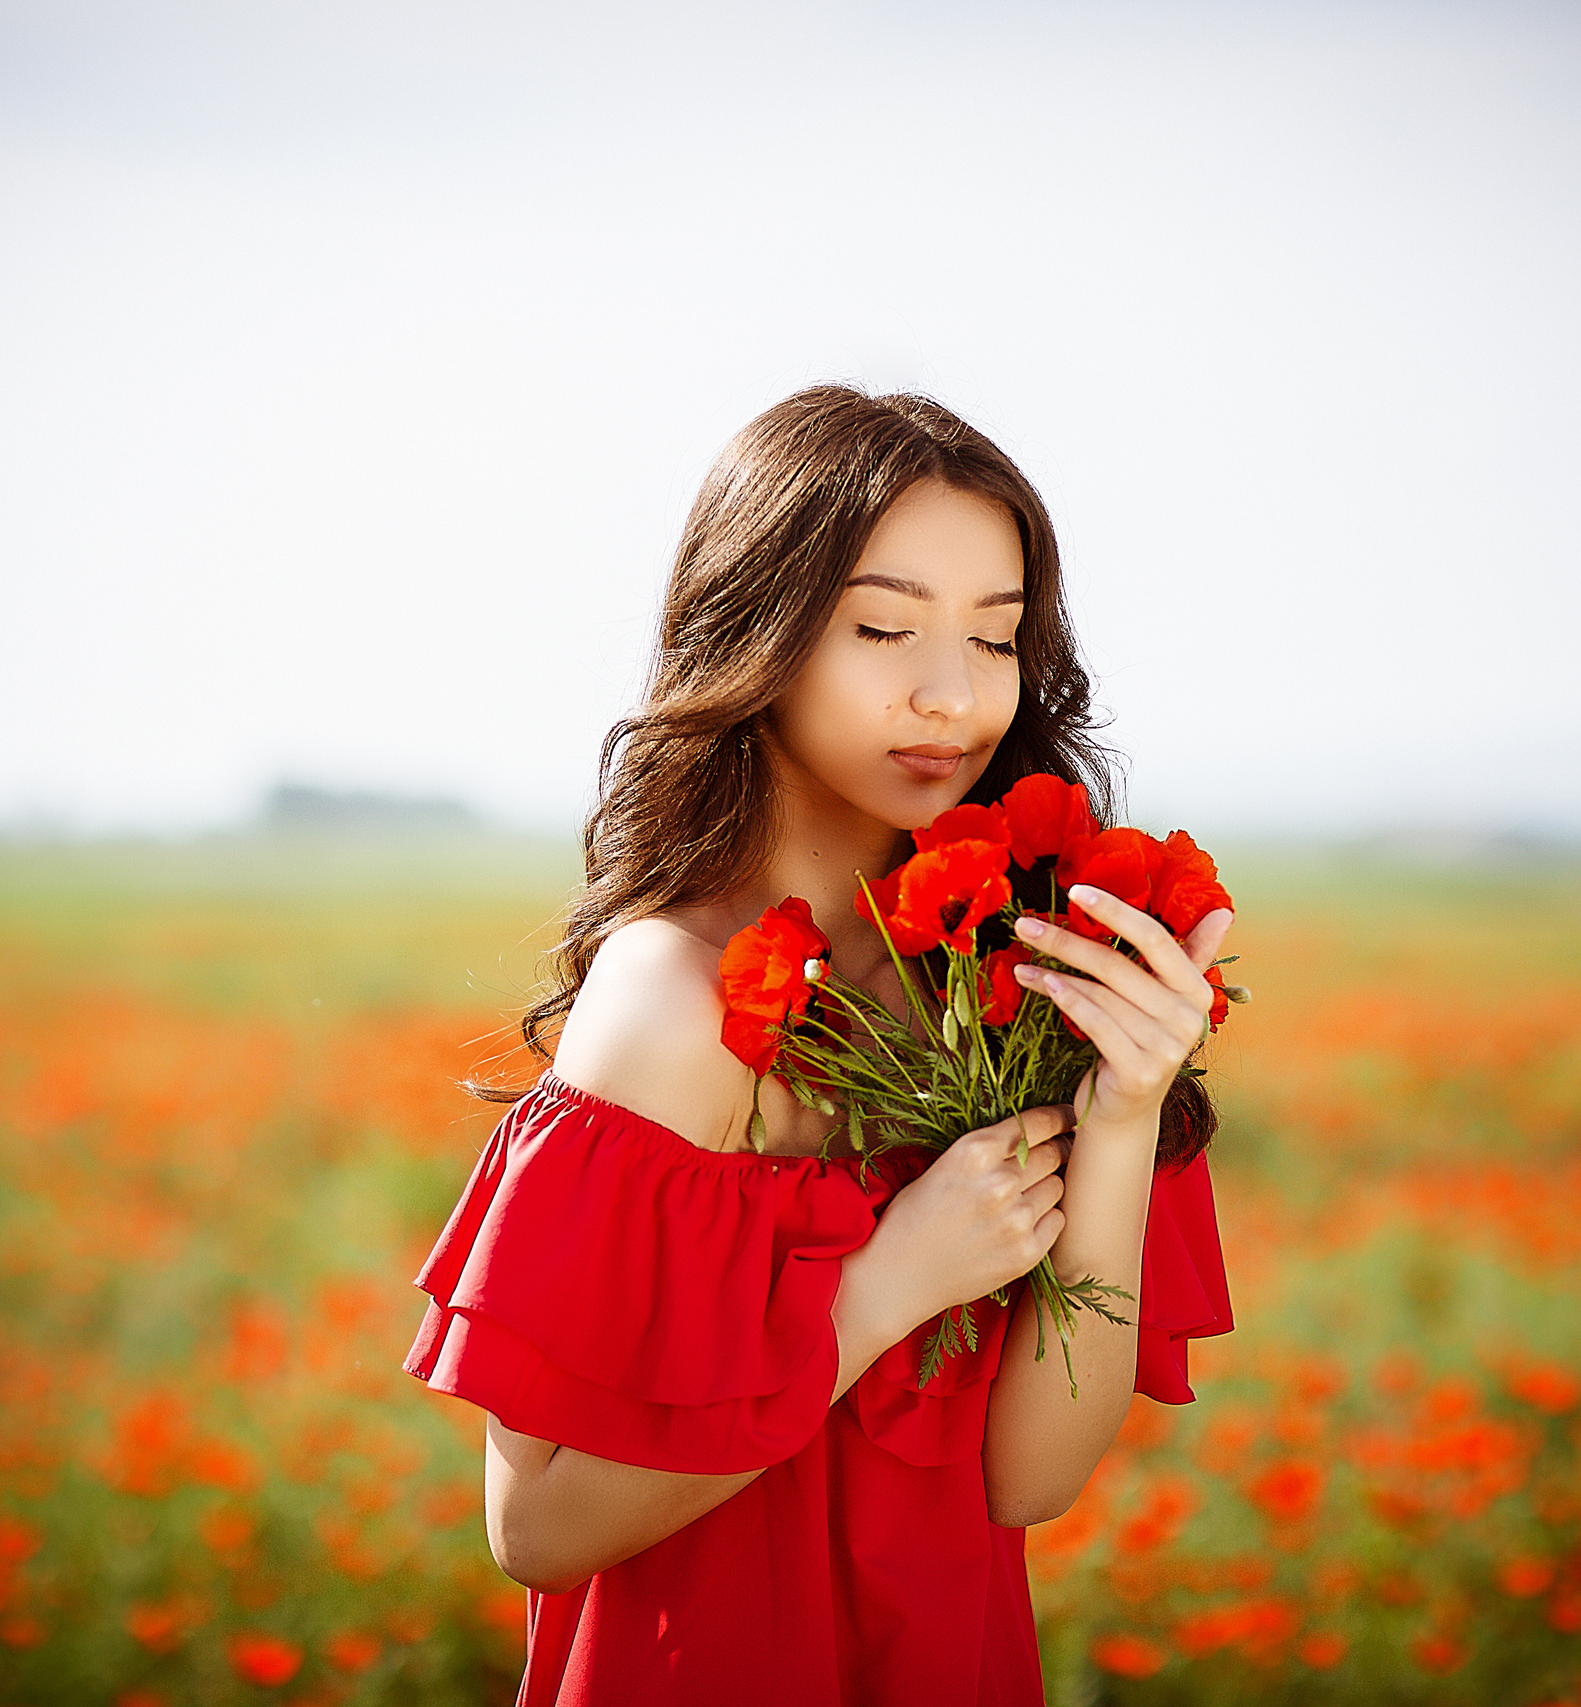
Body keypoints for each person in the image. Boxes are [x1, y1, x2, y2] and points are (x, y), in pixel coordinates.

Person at [406, 386, 1234, 1704]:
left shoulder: (1007, 977)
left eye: (997, 635)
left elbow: (1033, 1477)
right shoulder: (671, 1000)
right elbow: (537, 1530)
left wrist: (1124, 1115)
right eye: (883, 627)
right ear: (760, 636)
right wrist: (881, 1290)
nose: (951, 694)